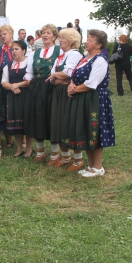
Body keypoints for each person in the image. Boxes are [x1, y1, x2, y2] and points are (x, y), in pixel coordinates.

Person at [61, 30, 115, 177]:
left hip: (94, 99)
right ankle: (90, 166)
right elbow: (75, 75)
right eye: (87, 39)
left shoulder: (100, 60)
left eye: (90, 40)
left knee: (94, 132)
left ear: (99, 45)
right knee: (85, 130)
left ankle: (98, 167)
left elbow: (92, 83)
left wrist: (74, 90)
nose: (86, 42)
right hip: (82, 98)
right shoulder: (85, 58)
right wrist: (71, 84)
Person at [47, 28, 83, 169]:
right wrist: (56, 78)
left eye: (63, 38)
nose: (59, 40)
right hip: (58, 91)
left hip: (68, 93)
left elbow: (69, 73)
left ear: (72, 41)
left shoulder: (74, 55)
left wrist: (57, 77)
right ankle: (65, 156)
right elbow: (51, 77)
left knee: (70, 123)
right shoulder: (60, 56)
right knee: (59, 123)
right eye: (60, 38)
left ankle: (78, 159)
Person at [24, 24, 60, 162]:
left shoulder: (59, 51)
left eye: (48, 33)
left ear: (54, 36)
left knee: (52, 118)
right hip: (37, 88)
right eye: (43, 33)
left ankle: (55, 154)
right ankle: (40, 152)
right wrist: (29, 81)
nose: (45, 35)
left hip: (52, 87)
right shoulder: (34, 53)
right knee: (37, 117)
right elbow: (29, 72)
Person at [1, 41, 33, 157]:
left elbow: (31, 81)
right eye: (13, 49)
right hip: (13, 95)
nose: (14, 51)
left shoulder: (29, 63)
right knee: (16, 124)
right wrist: (12, 88)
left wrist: (16, 85)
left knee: (28, 122)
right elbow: (4, 82)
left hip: (27, 95)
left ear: (24, 50)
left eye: (17, 49)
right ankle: (19, 149)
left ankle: (29, 149)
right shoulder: (8, 66)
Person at [0, 25, 16, 149]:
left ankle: (22, 138)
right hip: (1, 83)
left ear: (11, 34)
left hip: (15, 82)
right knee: (4, 111)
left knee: (17, 110)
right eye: (1, 34)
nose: (2, 36)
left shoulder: (17, 47)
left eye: (5, 34)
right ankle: (9, 139)